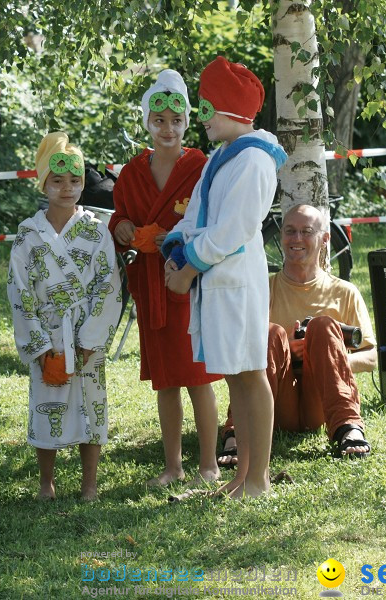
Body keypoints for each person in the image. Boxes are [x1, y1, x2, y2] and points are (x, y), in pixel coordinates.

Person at [161, 56, 287, 499]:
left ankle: (259, 479)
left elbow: (234, 229)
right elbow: (196, 214)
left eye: (208, 108)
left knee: (251, 374)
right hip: (216, 282)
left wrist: (192, 265)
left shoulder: (254, 161)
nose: (202, 118)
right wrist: (176, 251)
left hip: (237, 282)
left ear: (231, 110)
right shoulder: (221, 158)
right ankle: (242, 475)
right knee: (235, 376)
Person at [108, 70, 222, 487]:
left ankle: (208, 464)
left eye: (176, 121)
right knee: (166, 382)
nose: (167, 129)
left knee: (197, 377)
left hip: (187, 281)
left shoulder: (201, 166)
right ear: (147, 123)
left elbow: (211, 219)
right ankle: (173, 466)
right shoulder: (132, 172)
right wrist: (120, 227)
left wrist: (171, 237)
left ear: (186, 122)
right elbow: (121, 213)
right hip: (149, 285)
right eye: (159, 121)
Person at [7, 132, 122, 502]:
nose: (67, 188)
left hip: (86, 333)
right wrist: (39, 345)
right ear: (43, 183)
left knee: (92, 406)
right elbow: (19, 292)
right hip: (49, 334)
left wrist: (90, 339)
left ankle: (89, 484)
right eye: (57, 181)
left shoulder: (96, 230)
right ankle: (47, 483)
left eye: (75, 181)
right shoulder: (28, 235)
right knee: (47, 405)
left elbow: (108, 285)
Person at [217, 204, 376, 464]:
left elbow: (370, 358)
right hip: (275, 399)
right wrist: (289, 352)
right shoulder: (262, 290)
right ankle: (238, 431)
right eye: (290, 231)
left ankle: (348, 427)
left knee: (323, 326)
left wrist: (324, 357)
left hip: (322, 401)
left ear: (325, 239)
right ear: (281, 237)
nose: (297, 239)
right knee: (271, 333)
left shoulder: (345, 292)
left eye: (306, 231)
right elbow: (239, 355)